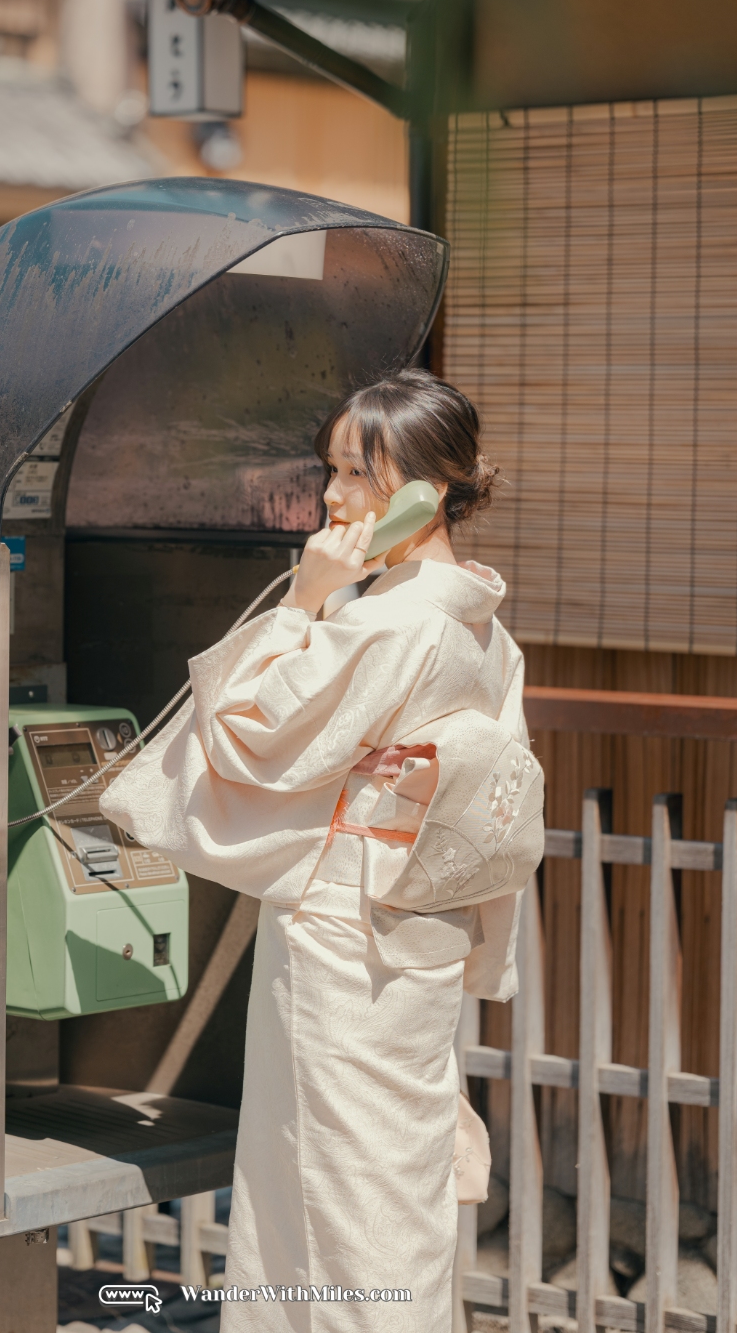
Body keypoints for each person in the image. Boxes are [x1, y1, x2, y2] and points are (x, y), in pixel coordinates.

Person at [100, 369, 544, 1331]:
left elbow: (256, 731)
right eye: (332, 467)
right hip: (414, 937)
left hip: (343, 937)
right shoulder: (478, 623)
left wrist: (304, 599)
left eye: (360, 472)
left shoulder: (392, 620)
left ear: (429, 489)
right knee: (387, 1187)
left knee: (338, 1198)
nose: (335, 496)